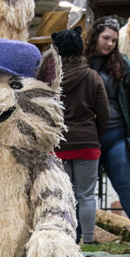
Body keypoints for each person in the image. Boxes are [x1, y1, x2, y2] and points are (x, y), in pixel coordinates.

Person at [83, 16, 130, 226]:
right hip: (85, 139)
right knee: (81, 192)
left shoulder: (123, 65)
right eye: (105, 38)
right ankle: (77, 239)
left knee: (129, 187)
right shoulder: (78, 62)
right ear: (95, 36)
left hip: (117, 138)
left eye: (114, 40)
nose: (110, 44)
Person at [52, 28, 110, 244]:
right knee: (86, 195)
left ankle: (67, 239)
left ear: (56, 49)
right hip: (87, 143)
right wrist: (95, 133)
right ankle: (89, 240)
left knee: (64, 194)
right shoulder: (92, 76)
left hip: (59, 144)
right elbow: (104, 112)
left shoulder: (51, 80)